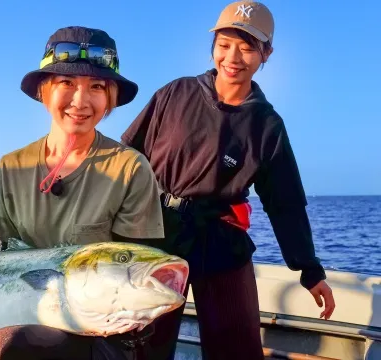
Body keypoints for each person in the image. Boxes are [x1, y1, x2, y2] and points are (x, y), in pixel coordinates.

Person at [120, 1, 336, 359]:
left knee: (238, 349)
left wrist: (309, 269)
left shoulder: (267, 126)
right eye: (224, 45)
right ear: (214, 46)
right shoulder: (176, 93)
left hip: (219, 238)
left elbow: (285, 204)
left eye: (248, 47)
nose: (233, 57)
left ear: (266, 53)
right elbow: (127, 159)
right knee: (142, 348)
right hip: (155, 232)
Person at [0, 26, 174, 360]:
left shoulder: (129, 169)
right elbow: (6, 258)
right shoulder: (10, 167)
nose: (81, 101)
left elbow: (130, 272)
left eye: (97, 87)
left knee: (6, 347)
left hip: (94, 331)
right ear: (44, 91)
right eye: (66, 83)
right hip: (14, 311)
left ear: (110, 98)